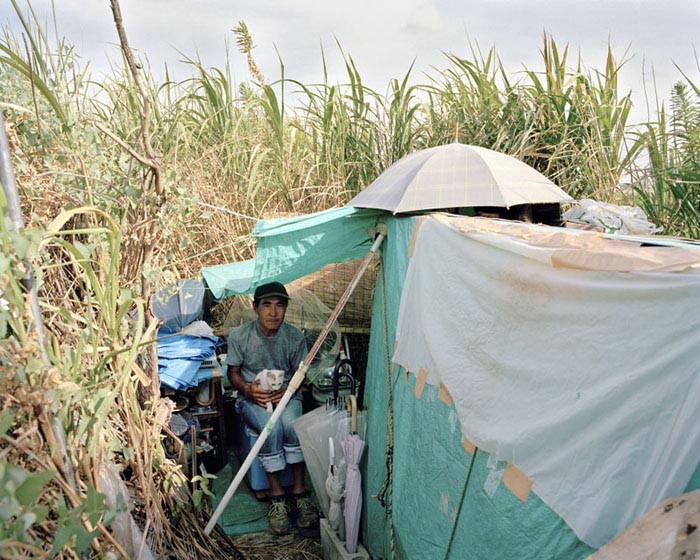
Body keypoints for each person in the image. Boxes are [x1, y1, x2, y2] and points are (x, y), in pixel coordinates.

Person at [226, 281, 319, 536]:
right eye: (266, 305)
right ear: (255, 308)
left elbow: (301, 375)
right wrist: (248, 390)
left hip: (288, 395)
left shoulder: (294, 337)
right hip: (252, 398)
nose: (273, 312)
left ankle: (300, 493)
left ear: (286, 309)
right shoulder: (240, 336)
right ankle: (277, 497)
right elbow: (232, 372)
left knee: (292, 425)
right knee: (271, 427)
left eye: (280, 305)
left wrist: (287, 392)